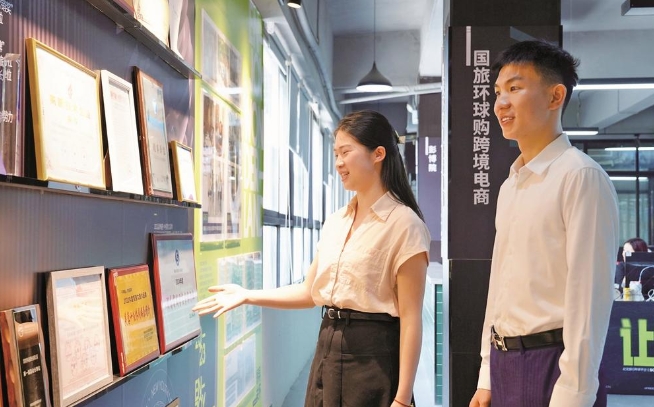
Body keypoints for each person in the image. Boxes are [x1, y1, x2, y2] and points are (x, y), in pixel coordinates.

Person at [193, 110, 431, 407]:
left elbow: (411, 318)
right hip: (327, 350)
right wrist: (247, 295)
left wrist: (403, 398)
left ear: (378, 154)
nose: (338, 163)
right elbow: (310, 292)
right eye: (336, 154)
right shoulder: (336, 221)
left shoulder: (405, 225)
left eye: (346, 152)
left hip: (374, 359)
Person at [469, 40, 620, 407]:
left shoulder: (580, 176)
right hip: (505, 362)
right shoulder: (511, 185)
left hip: (554, 365)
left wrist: (573, 395)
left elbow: (590, 299)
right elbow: (499, 286)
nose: (501, 103)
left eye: (515, 88)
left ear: (555, 96)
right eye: (498, 92)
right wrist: (487, 374)